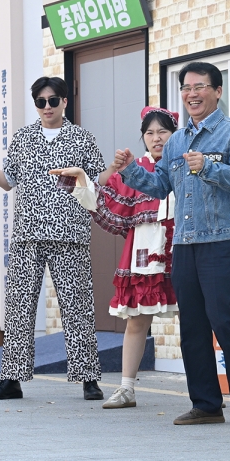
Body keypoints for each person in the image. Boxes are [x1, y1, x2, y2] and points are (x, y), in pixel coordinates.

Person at [114, 62, 230, 427]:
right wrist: (132, 169)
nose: (192, 93)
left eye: (200, 87)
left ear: (217, 91)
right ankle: (207, 404)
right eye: (186, 88)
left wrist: (208, 168)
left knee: (224, 320)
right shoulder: (177, 140)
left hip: (225, 241)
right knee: (192, 325)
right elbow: (160, 185)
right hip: (184, 243)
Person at [0, 76, 107, 403]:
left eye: (53, 100)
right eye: (41, 101)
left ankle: (88, 376)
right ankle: (11, 378)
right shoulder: (22, 138)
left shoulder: (82, 138)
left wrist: (116, 170)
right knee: (18, 307)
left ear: (64, 101)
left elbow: (97, 181)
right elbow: (7, 181)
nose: (47, 107)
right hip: (27, 234)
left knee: (77, 306)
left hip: (70, 233)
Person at [77, 106, 180, 409]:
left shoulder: (186, 162)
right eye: (149, 133)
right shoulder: (136, 168)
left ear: (175, 134)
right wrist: (101, 172)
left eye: (162, 131)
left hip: (184, 244)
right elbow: (104, 200)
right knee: (137, 320)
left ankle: (210, 386)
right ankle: (126, 388)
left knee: (198, 318)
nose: (156, 138)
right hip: (146, 251)